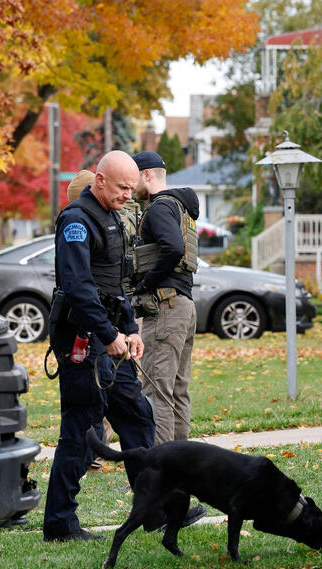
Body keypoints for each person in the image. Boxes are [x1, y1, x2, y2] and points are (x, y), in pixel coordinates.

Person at [43, 151, 155, 542]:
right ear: (101, 181)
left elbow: (115, 286)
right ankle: (60, 523)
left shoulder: (111, 218)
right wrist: (108, 337)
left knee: (137, 414)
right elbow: (79, 288)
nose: (129, 194)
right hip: (82, 339)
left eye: (132, 188)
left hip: (108, 334)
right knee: (82, 426)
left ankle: (153, 508)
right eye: (123, 187)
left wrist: (130, 329)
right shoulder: (76, 222)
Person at [131, 150, 201, 445]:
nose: (128, 186)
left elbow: (172, 248)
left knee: (156, 392)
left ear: (146, 175)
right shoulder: (180, 207)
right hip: (184, 305)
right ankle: (182, 468)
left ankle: (160, 473)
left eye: (131, 178)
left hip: (166, 306)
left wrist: (146, 282)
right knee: (177, 390)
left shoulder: (159, 208)